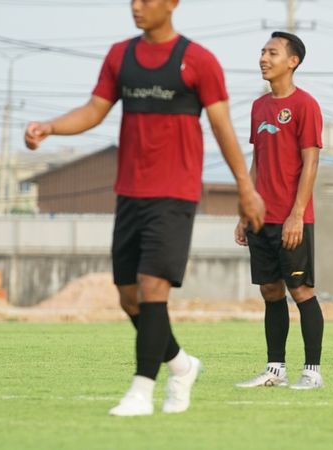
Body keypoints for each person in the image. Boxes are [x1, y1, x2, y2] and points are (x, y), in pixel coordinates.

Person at [24, 0, 265, 416]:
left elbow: (223, 128)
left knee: (154, 289)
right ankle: (182, 365)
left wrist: (246, 188)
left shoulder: (198, 61)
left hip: (175, 194)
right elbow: (94, 110)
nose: (137, 6)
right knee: (129, 297)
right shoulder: (121, 55)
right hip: (130, 193)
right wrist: (50, 127)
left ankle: (141, 391)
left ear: (172, 4)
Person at [234, 31, 325, 390]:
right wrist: (245, 210)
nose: (263, 58)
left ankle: (313, 372)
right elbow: (257, 162)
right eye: (262, 52)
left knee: (301, 292)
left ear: (293, 61)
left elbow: (311, 162)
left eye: (272, 52)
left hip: (293, 220)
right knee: (271, 292)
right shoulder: (259, 107)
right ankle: (275, 370)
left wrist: (297, 214)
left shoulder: (305, 105)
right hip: (261, 218)